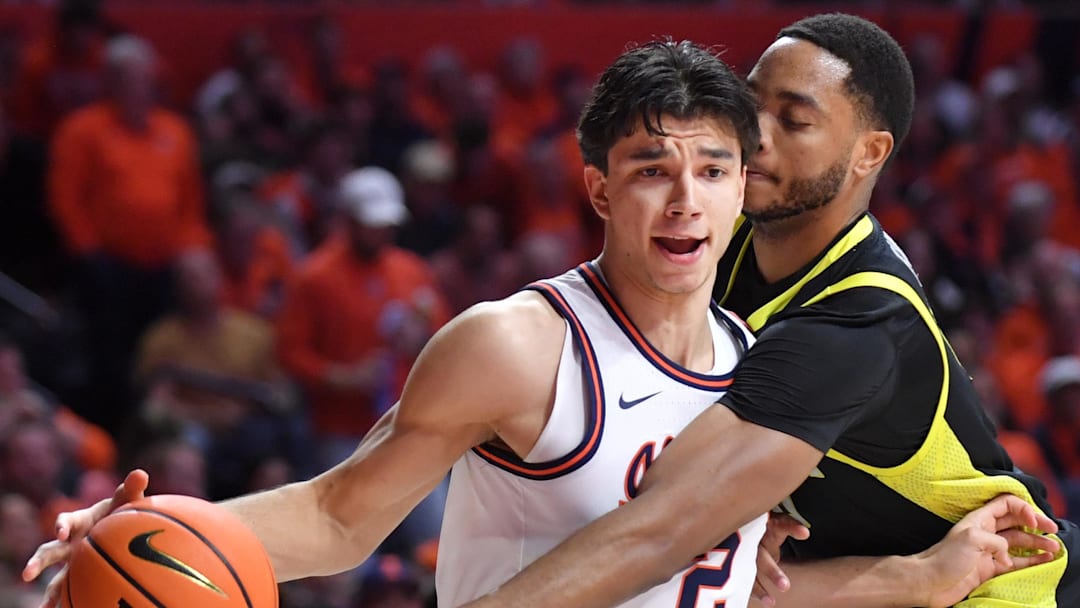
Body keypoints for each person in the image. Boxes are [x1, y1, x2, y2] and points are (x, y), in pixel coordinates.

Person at [23, 39, 1058, 608]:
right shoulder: (515, 342)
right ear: (602, 193)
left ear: (746, 189)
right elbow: (341, 514)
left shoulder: (760, 365)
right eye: (653, 171)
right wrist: (150, 535)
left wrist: (922, 577)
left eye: (711, 172)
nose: (685, 202)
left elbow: (739, 590)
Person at [443, 14, 1080, 608]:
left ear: (869, 153)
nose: (754, 138)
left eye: (794, 122)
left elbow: (657, 531)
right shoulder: (726, 237)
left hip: (1004, 581)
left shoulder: (856, 324)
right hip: (874, 576)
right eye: (752, 107)